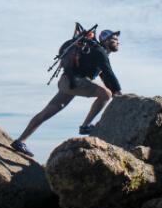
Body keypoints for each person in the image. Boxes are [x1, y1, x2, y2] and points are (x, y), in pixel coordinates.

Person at [11, 29, 122, 157]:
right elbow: (109, 73)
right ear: (106, 40)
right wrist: (117, 92)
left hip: (67, 82)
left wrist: (114, 90)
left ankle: (20, 141)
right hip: (73, 82)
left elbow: (105, 76)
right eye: (114, 39)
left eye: (118, 40)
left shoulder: (96, 51)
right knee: (106, 94)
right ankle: (85, 126)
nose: (118, 42)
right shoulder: (99, 51)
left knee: (47, 112)